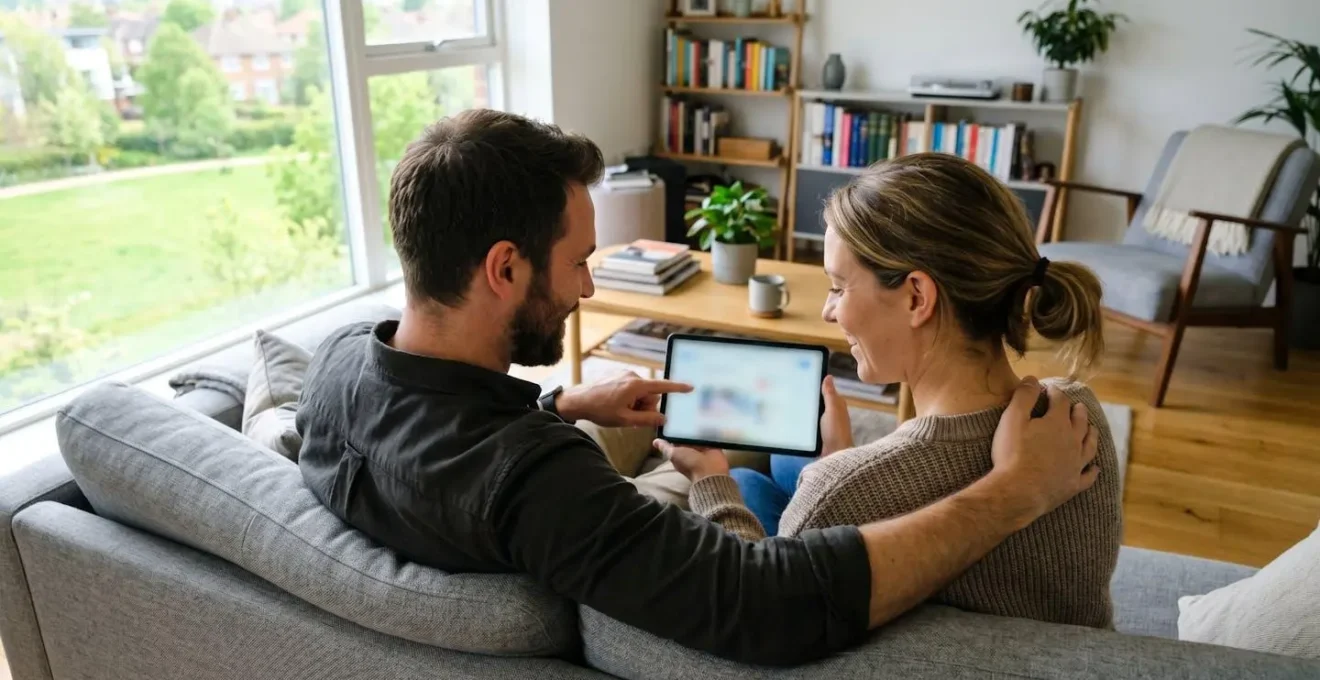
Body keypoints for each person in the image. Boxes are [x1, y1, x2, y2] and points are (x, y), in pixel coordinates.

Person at [295, 109, 1100, 666]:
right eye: (579, 263)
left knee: (771, 462)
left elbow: (441, 440)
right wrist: (1015, 490)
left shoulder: (334, 367)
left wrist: (562, 403)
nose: (585, 290)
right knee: (760, 469)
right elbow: (767, 602)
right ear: (505, 268)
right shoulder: (543, 483)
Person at [658, 153, 1121, 629]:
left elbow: (757, 613)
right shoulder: (1077, 416)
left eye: (839, 287)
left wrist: (710, 482)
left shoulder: (837, 496)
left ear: (917, 297)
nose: (827, 313)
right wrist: (842, 460)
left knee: (744, 483)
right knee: (780, 467)